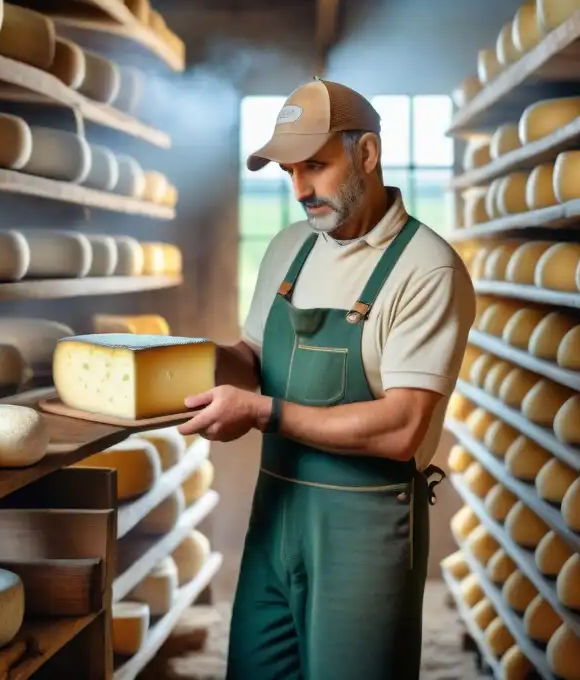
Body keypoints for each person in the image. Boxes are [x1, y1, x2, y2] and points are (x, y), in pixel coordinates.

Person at [177, 78, 476, 680]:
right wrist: (187, 357)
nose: (300, 189)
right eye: (290, 170)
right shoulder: (291, 246)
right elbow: (254, 356)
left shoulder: (427, 269)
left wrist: (264, 413)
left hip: (364, 533)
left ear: (367, 154)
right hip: (276, 513)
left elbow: (402, 427)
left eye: (317, 165)